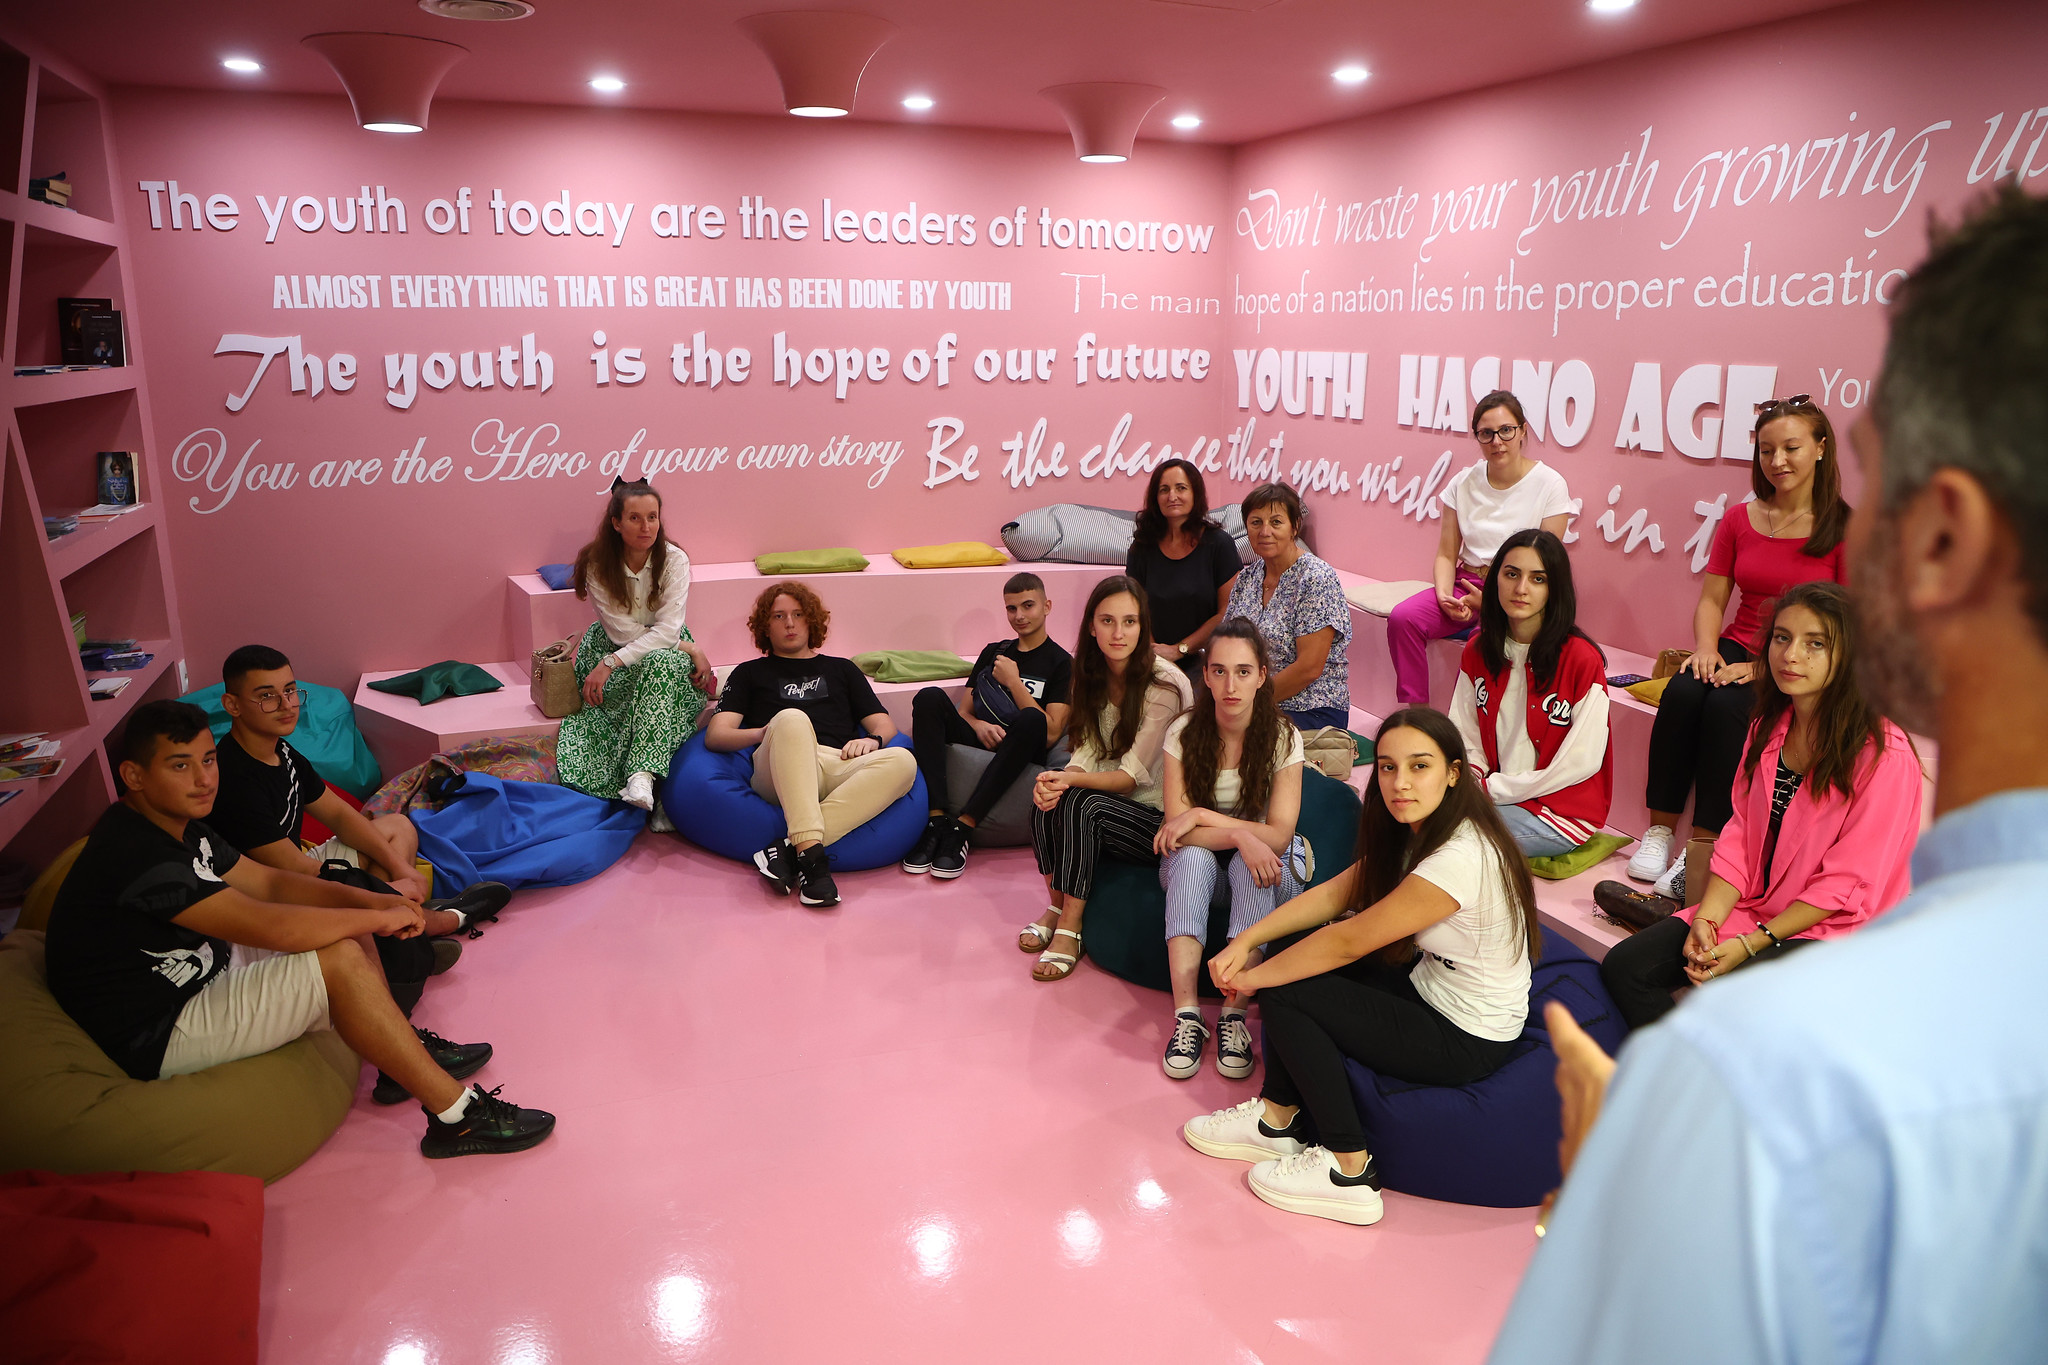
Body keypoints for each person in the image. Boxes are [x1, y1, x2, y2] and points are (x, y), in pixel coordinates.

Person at [1487, 186, 2048, 1364]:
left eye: (1868, 486)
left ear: (1937, 539)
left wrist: (1624, 1189)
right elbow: (1742, 835)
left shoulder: (1763, 1083)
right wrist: (1715, 916)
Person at [42, 702, 556, 1158]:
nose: (203, 779)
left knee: (339, 930)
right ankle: (457, 1119)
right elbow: (271, 925)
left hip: (200, 967)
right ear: (133, 775)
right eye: (180, 765)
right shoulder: (137, 855)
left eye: (208, 760)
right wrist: (378, 916)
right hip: (160, 1026)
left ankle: (400, 1050)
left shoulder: (181, 824)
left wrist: (377, 899)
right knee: (339, 956)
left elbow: (270, 883)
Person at [1181, 706, 1539, 1226]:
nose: (1400, 782)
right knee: (1291, 955)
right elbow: (1337, 894)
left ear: (1453, 773)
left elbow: (1347, 941)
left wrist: (1252, 980)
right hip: (1431, 989)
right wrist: (1251, 939)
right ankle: (1277, 1121)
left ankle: (1348, 1171)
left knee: (1288, 987)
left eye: (1420, 766)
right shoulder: (1424, 829)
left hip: (1466, 1034)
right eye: (1388, 767)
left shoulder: (1460, 855)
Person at [1595, 581, 1922, 1025]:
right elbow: (1741, 839)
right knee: (1625, 968)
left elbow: (1846, 885)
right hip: (1758, 908)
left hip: (1837, 931)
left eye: (1815, 644)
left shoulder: (1885, 756)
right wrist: (1708, 920)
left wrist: (1751, 944)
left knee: (1737, 1002)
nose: (1791, 655)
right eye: (1782, 638)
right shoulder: (1769, 726)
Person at [1627, 397, 1849, 898]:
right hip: (1736, 643)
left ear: (1820, 448)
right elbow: (1712, 599)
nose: (1778, 461)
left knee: (1728, 707)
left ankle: (1702, 849)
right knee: (1684, 692)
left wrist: (1762, 671)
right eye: (1767, 450)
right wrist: (1706, 648)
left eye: (1791, 448)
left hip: (1798, 659)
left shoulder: (1842, 529)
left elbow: (1846, 626)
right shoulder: (1739, 520)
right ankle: (1659, 831)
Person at [207, 644, 508, 945]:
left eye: (289, 691)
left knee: (398, 827)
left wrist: (401, 869)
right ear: (232, 705)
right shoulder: (234, 778)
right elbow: (290, 870)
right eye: (266, 697)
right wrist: (384, 892)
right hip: (270, 896)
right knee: (376, 885)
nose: (286, 705)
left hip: (300, 868)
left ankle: (398, 936)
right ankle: (436, 923)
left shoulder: (281, 751)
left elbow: (339, 815)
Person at [1153, 619, 1306, 1081]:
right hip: (1200, 860)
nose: (1230, 685)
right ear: (1205, 675)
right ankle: (1187, 1016)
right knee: (1194, 858)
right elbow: (1177, 834)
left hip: (1263, 865)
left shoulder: (1283, 736)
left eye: (1243, 672)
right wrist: (1241, 835)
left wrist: (1203, 816)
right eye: (1219, 671)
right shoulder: (1184, 731)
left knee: (1251, 865)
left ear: (1262, 675)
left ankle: (1234, 1016)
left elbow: (1279, 835)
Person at [1022, 575, 1194, 982]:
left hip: (1160, 818)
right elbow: (1086, 752)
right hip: (1115, 802)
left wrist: (1070, 784)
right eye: (1108, 621)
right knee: (1046, 796)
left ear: (1143, 627)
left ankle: (1071, 928)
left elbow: (1130, 777)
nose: (1119, 634)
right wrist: (1058, 780)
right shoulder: (1090, 672)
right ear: (1091, 626)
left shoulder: (1165, 684)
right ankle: (1056, 904)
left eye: (1130, 622)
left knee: (1081, 802)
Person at [707, 581, 916, 909]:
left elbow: (884, 725)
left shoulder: (842, 669)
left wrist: (871, 740)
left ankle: (789, 850)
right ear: (765, 626)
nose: (789, 623)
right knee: (792, 718)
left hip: (835, 762)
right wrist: (765, 732)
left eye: (798, 614)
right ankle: (816, 870)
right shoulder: (748, 673)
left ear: (811, 620)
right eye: (778, 616)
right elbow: (716, 735)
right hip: (779, 766)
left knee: (903, 761)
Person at [1388, 392, 1573, 708]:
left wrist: (1489, 602)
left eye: (1506, 431)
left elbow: (1545, 567)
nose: (1496, 441)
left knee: (1483, 642)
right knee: (1403, 618)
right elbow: (1446, 553)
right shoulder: (1463, 482)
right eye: (1486, 433)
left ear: (1522, 431)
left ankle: (1474, 723)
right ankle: (1418, 714)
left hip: (1518, 590)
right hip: (1466, 584)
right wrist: (1445, 596)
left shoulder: (1550, 484)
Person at [557, 477, 715, 824]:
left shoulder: (675, 559)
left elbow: (668, 630)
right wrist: (689, 647)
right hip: (611, 647)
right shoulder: (597, 562)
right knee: (661, 669)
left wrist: (613, 663)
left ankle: (642, 777)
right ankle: (664, 797)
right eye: (635, 518)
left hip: (639, 655)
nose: (646, 527)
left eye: (652, 517)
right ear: (616, 523)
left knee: (661, 665)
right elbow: (621, 632)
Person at [1448, 531, 1613, 857]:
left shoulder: (1581, 659)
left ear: (1554, 589)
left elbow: (1580, 762)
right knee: (1413, 818)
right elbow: (1464, 733)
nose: (1521, 588)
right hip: (1490, 796)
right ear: (1495, 580)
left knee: (1453, 839)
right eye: (1512, 574)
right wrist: (1472, 782)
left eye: (1538, 579)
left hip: (1558, 812)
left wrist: (1492, 789)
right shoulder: (1478, 650)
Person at [904, 573, 1071, 880]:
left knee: (1031, 718)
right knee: (929, 698)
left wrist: (1014, 682)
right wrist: (978, 725)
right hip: (984, 737)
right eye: (1011, 608)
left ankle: (964, 827)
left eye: (1028, 605)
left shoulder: (1061, 662)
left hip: (1024, 746)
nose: (1019, 616)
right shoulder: (995, 651)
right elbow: (964, 712)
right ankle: (937, 820)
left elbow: (1051, 733)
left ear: (1047, 606)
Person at [1222, 484, 1353, 731]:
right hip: (1249, 696)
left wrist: (1249, 701)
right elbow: (1227, 642)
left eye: (1276, 522)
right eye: (1256, 522)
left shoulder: (1316, 578)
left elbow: (1309, 669)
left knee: (1232, 734)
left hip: (1311, 707)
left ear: (1295, 527)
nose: (1265, 531)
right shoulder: (1248, 577)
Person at [1124, 458, 1242, 683]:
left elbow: (1226, 612)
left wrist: (1180, 649)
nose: (1172, 496)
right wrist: (1154, 653)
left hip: (1206, 658)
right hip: (1151, 657)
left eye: (1181, 488)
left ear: (1195, 493)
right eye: (1164, 490)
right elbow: (1134, 609)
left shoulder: (1219, 544)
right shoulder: (1142, 547)